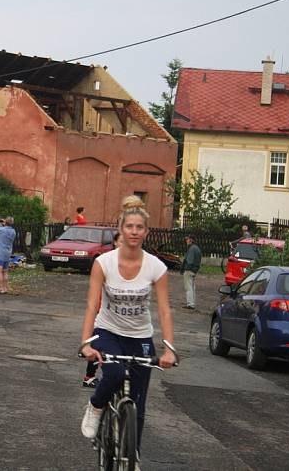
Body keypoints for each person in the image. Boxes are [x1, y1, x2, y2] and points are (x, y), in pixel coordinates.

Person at [79, 196, 176, 460]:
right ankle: (96, 406)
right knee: (114, 373)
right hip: (108, 332)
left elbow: (165, 310)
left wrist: (169, 349)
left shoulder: (156, 267)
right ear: (121, 229)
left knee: (139, 402)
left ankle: (133, 458)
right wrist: (86, 343)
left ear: (146, 232)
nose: (134, 231)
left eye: (139, 227)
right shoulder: (104, 263)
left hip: (140, 337)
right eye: (129, 226)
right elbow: (91, 306)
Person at [82, 231, 121, 388]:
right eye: (120, 242)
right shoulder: (106, 262)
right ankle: (89, 377)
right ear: (115, 243)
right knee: (96, 345)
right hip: (102, 311)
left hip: (120, 316)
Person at [181, 235, 202, 310]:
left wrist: (186, 269)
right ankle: (192, 302)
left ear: (191, 240)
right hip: (194, 270)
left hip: (189, 270)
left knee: (188, 287)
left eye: (187, 239)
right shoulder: (197, 248)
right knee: (192, 287)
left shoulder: (192, 248)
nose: (186, 241)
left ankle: (190, 304)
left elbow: (189, 261)